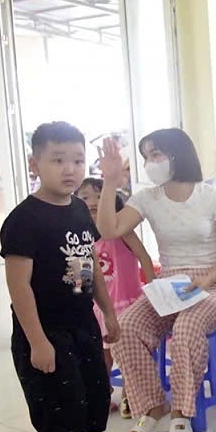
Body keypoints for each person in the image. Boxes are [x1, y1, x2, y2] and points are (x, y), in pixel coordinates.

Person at [1, 122, 137, 432]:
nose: (69, 169)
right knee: (60, 416)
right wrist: (39, 342)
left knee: (83, 408)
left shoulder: (78, 209)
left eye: (77, 160)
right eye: (57, 160)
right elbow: (18, 286)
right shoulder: (23, 221)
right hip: (46, 333)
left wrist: (107, 313)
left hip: (81, 328)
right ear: (34, 163)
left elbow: (87, 265)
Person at [96, 128, 216, 432]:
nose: (150, 162)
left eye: (156, 154)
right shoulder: (146, 197)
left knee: (187, 327)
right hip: (170, 283)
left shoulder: (211, 195)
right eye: (146, 156)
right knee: (125, 328)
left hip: (215, 282)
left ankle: (182, 411)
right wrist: (110, 182)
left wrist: (208, 278)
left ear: (178, 154)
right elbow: (109, 228)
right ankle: (151, 407)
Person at [77, 178, 154, 415]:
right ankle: (101, 394)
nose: (92, 202)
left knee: (130, 355)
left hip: (128, 304)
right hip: (99, 308)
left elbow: (144, 257)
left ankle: (133, 394)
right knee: (102, 356)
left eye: (99, 196)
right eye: (85, 197)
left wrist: (153, 289)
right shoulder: (80, 234)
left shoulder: (120, 229)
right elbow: (82, 278)